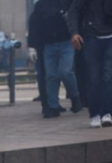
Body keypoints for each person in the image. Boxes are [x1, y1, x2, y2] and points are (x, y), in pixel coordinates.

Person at [30, 0, 82, 119]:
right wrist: (33, 46)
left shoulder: (65, 3)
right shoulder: (41, 5)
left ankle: (75, 97)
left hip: (65, 42)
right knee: (51, 75)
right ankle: (53, 106)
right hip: (50, 43)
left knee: (65, 72)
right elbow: (35, 24)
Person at [67, 0, 112, 128]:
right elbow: (73, 11)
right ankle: (96, 113)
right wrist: (74, 32)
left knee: (108, 76)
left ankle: (107, 112)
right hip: (92, 37)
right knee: (94, 78)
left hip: (110, 38)